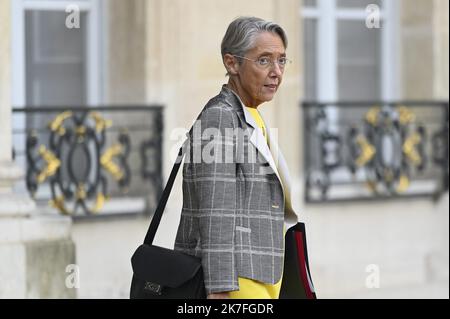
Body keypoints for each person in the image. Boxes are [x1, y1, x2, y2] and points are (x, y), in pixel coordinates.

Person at [174, 16, 299, 299]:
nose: (276, 72)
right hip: (237, 280)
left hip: (263, 271)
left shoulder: (251, 113)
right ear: (232, 63)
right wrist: (219, 288)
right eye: (264, 60)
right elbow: (215, 210)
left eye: (281, 60)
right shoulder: (220, 117)